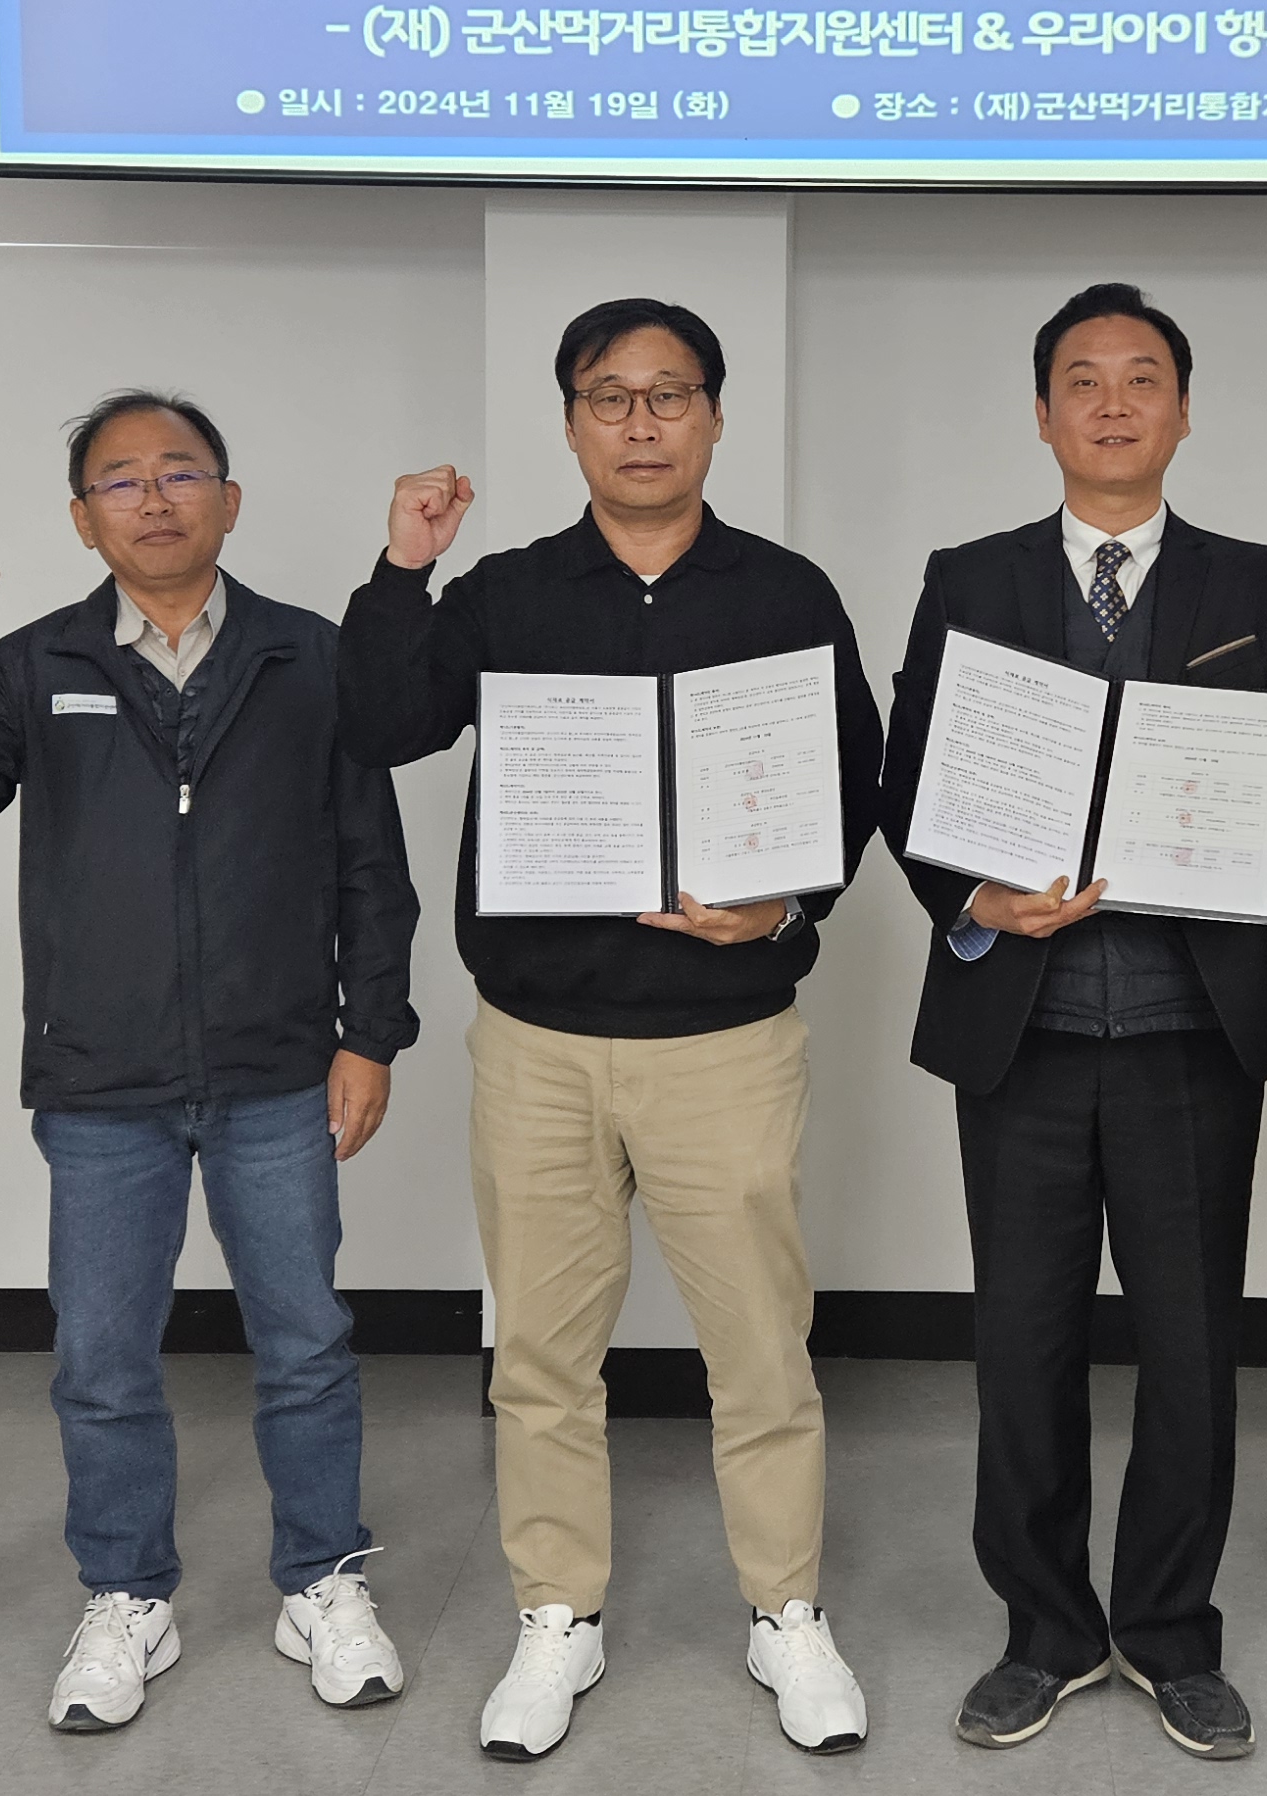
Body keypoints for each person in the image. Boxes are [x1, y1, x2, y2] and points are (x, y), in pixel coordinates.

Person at [337, 300, 885, 1762]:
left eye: (669, 395)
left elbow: (856, 786)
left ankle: (785, 1611)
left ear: (714, 417)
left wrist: (779, 910)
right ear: (572, 423)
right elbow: (381, 724)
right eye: (609, 397)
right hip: (539, 1039)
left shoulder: (785, 593)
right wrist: (404, 566)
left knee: (761, 1349)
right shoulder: (506, 592)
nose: (641, 423)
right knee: (541, 1353)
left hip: (726, 1039)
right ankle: (556, 1613)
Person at [880, 282, 1267, 1762]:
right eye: (1085, 380)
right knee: (1021, 1344)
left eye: (1143, 378)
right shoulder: (970, 577)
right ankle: (1045, 1631)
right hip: (1021, 1032)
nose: (1114, 403)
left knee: (1190, 1348)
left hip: (1191, 1031)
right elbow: (906, 781)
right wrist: (976, 897)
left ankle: (1168, 1632)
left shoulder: (1258, 582)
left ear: (1181, 412)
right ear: (1043, 414)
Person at [0, 390, 419, 1737]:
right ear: (82, 518)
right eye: (122, 480)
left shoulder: (308, 655)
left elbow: (370, 861)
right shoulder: (33, 663)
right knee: (102, 1357)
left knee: (306, 1342)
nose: (154, 498)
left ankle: (323, 1581)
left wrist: (370, 1033)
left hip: (278, 1065)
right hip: (99, 1076)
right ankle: (126, 1596)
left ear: (230, 501)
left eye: (181, 473)